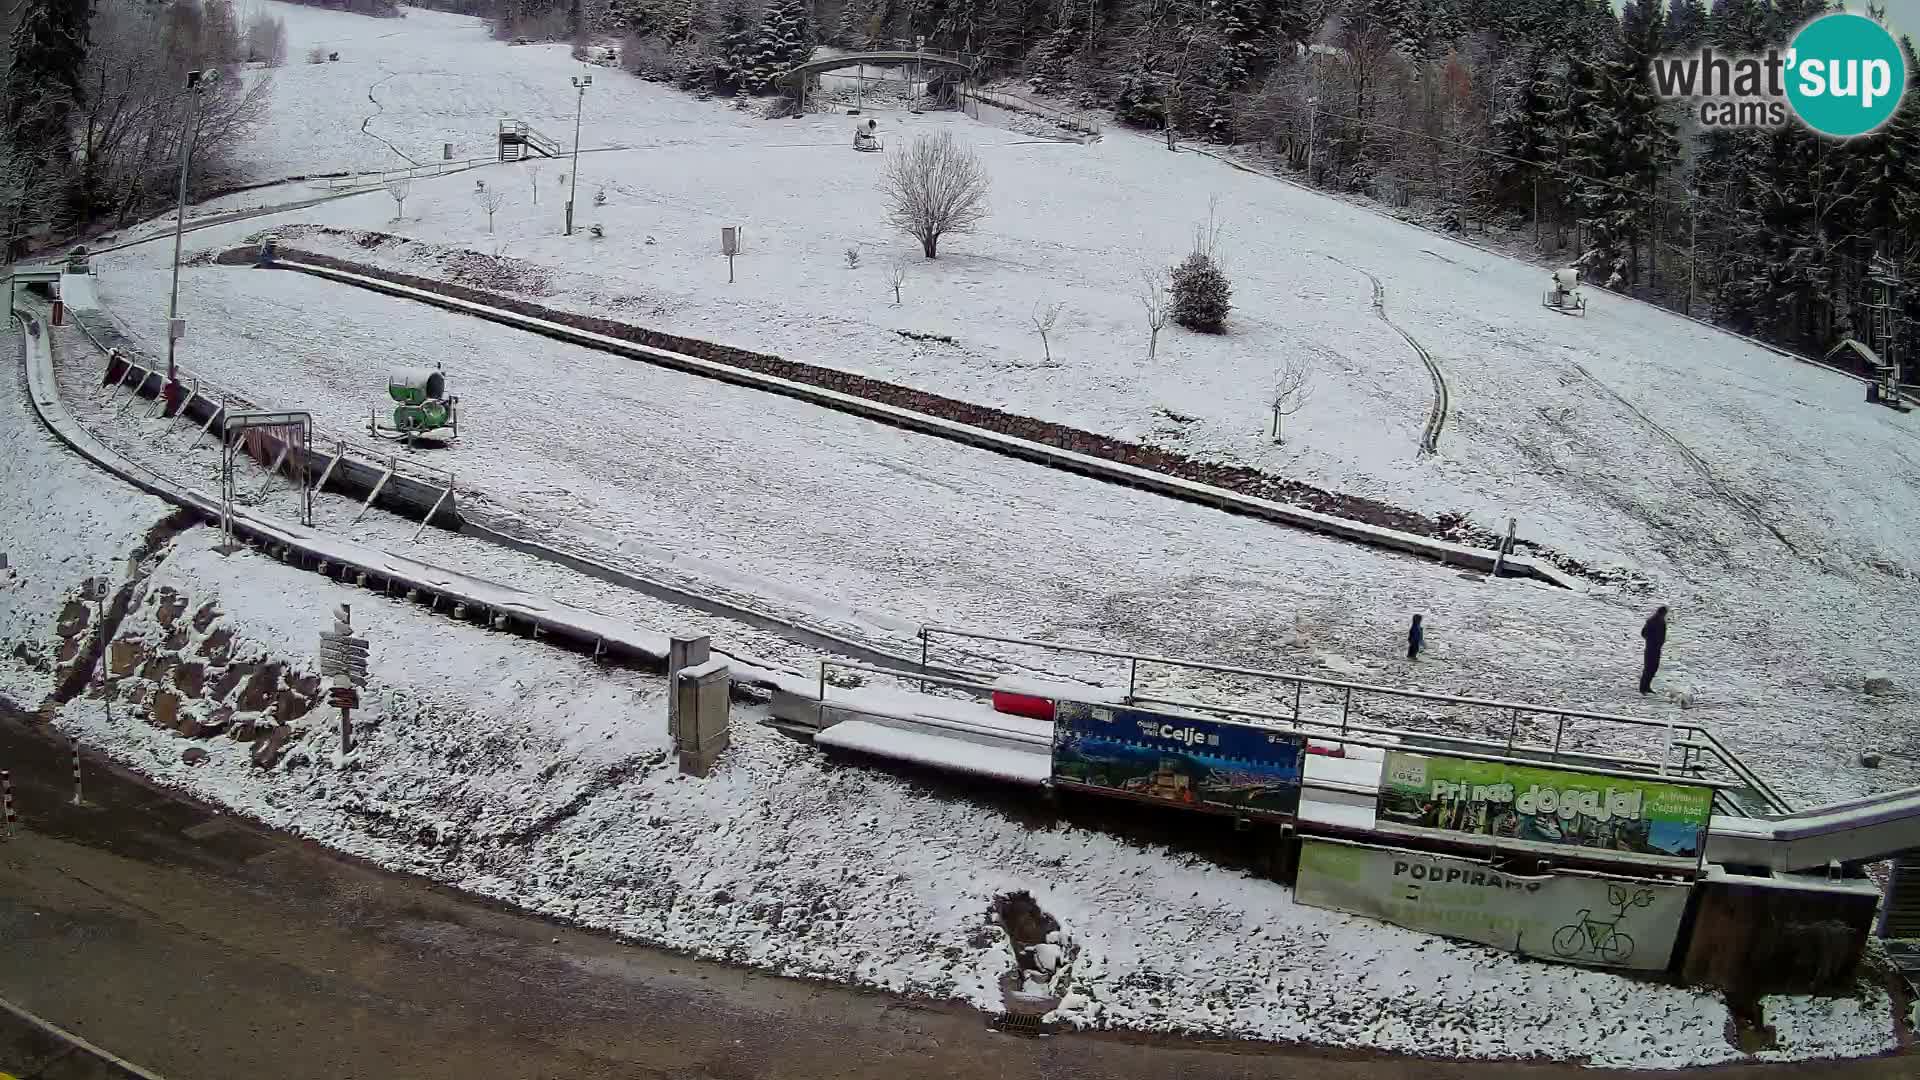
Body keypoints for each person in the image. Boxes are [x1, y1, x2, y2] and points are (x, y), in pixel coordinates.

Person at [1639, 605, 1668, 694]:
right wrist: (1652, 640)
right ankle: (1643, 688)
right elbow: (1644, 633)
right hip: (1651, 648)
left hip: (1656, 648)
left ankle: (1647, 686)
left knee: (1653, 668)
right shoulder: (1652, 621)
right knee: (1649, 668)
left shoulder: (1661, 622)